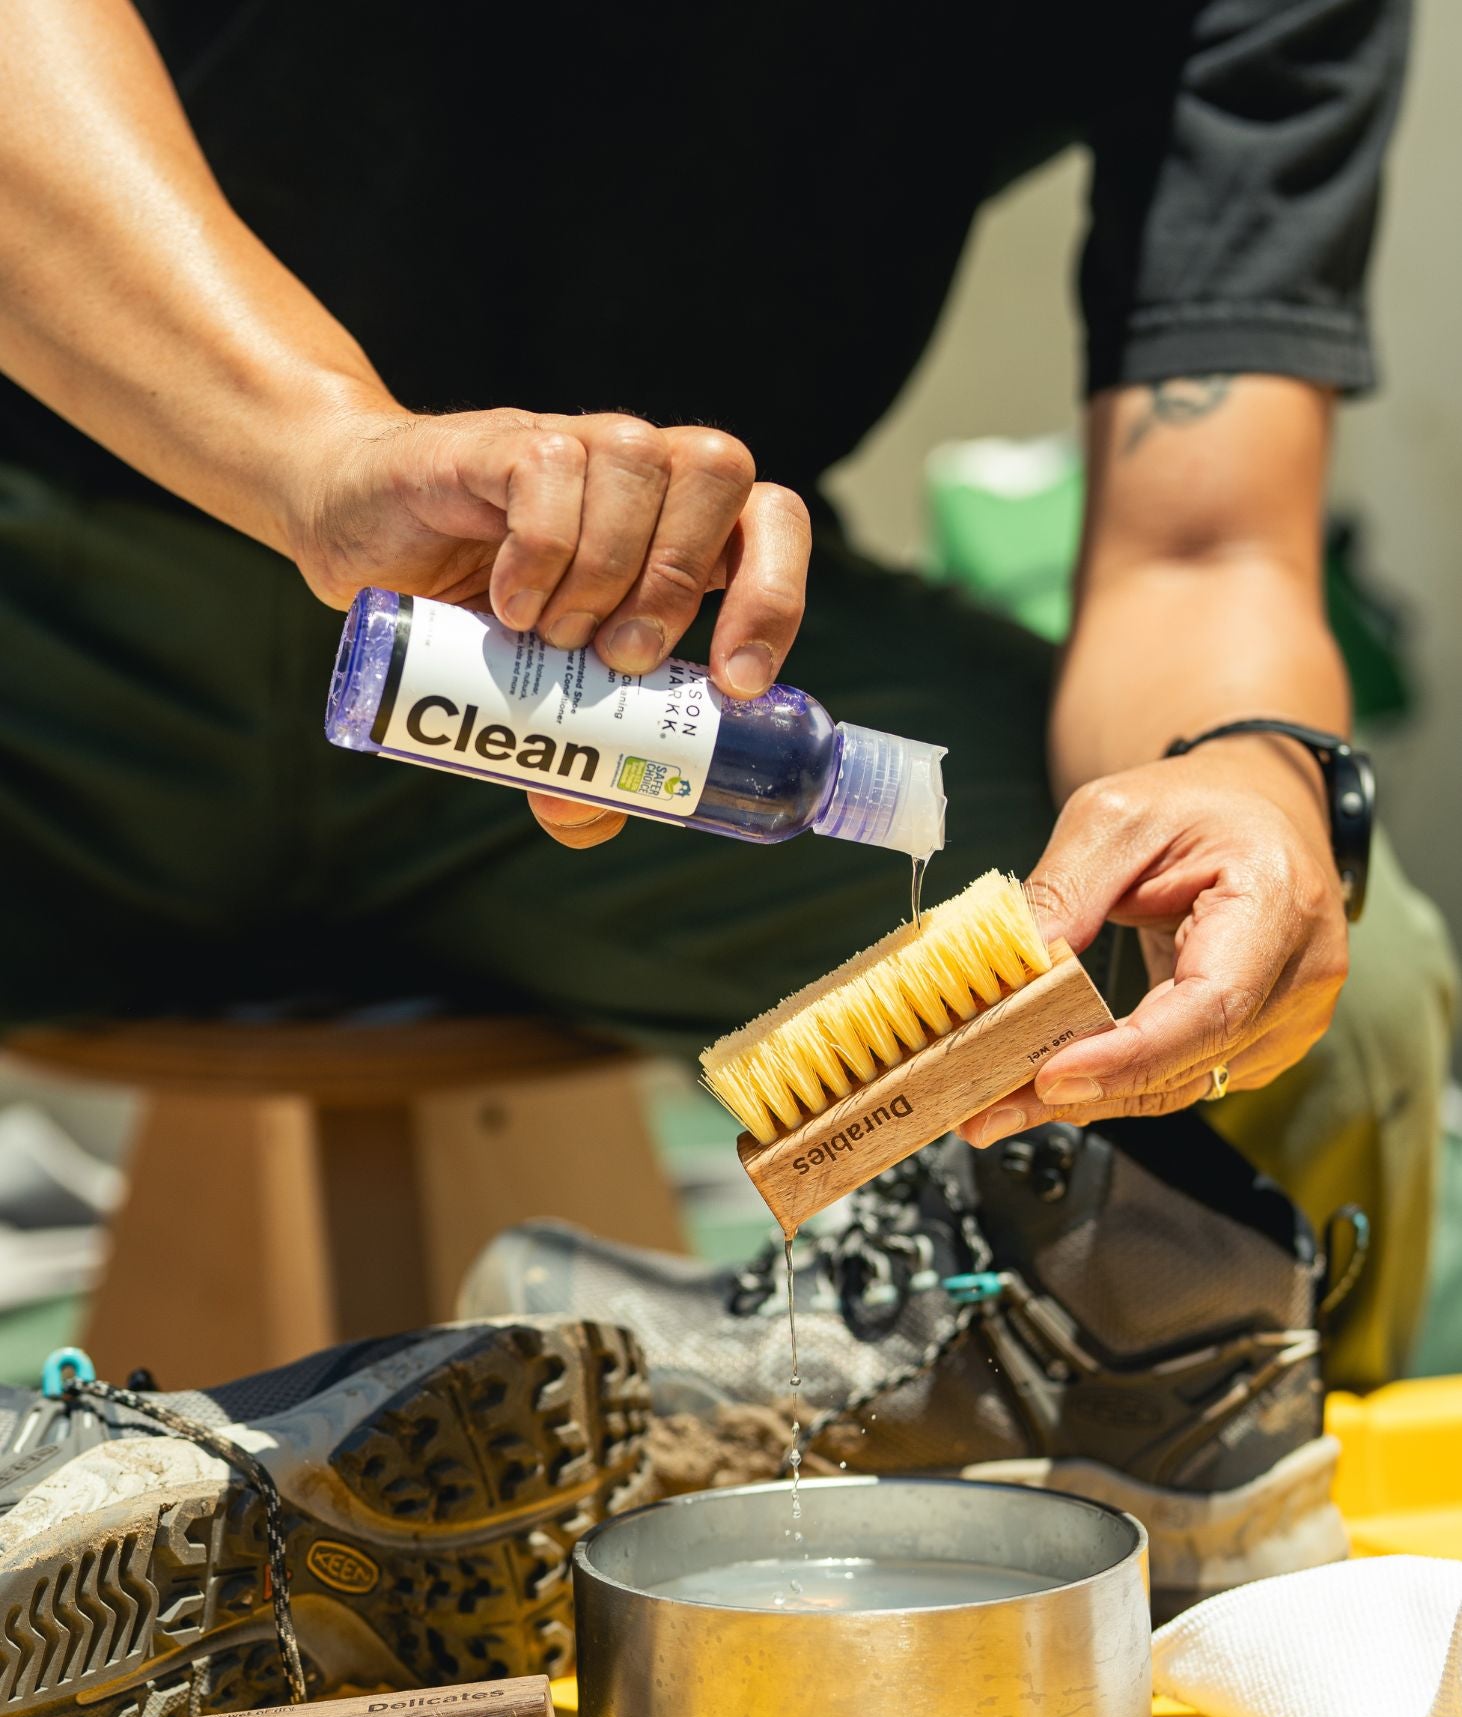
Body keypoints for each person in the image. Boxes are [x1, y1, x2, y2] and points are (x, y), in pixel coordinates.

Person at [0, 3, 1453, 1387]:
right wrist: (314, 450)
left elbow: (1203, 551)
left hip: (673, 704)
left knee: (1319, 1000)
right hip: (59, 637)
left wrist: (1253, 774)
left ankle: (1212, 1523)